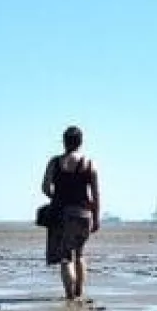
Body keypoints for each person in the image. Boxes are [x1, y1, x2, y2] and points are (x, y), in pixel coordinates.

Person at [41, 125, 101, 301]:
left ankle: (70, 296)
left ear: (64, 142)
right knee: (80, 254)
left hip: (62, 214)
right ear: (80, 142)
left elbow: (45, 187)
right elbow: (96, 194)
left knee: (65, 257)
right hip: (83, 214)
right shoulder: (90, 164)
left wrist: (57, 196)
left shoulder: (55, 162)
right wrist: (96, 218)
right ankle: (79, 292)